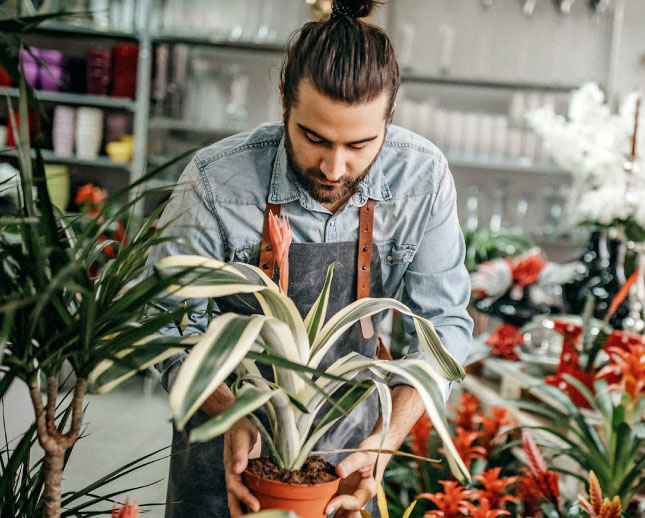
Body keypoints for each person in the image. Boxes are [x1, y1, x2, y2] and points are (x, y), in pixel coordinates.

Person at [149, 1, 473, 516]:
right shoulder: (216, 181)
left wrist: (382, 441)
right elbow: (164, 328)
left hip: (351, 461)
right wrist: (234, 416)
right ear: (283, 101)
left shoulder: (424, 179)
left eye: (361, 144)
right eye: (313, 137)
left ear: (390, 118)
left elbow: (445, 326)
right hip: (226, 452)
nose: (334, 167)